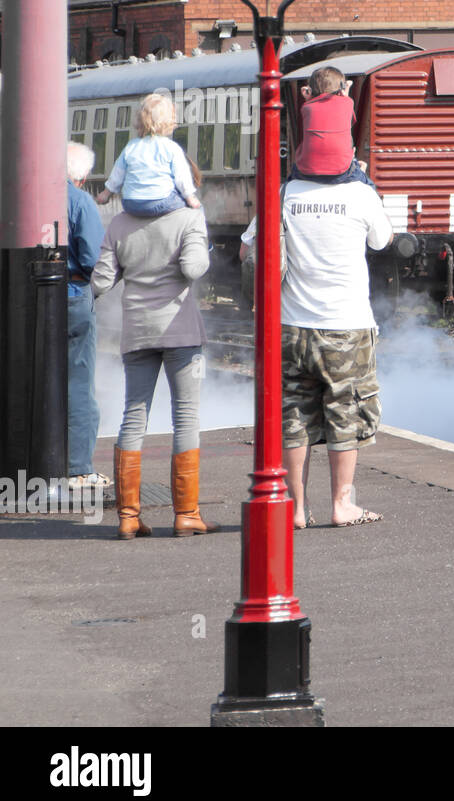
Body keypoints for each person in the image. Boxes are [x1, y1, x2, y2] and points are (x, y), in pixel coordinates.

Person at [243, 171, 393, 528]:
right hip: (348, 328)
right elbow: (383, 240)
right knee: (347, 411)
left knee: (295, 415)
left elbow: (247, 248)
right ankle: (342, 505)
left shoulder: (284, 192)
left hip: (293, 326)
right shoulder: (361, 193)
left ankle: (296, 509)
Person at [92, 160, 217, 539]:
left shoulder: (119, 223)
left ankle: (128, 517)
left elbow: (101, 280)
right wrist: (200, 247)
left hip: (138, 333)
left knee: (134, 414)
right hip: (180, 332)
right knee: (186, 418)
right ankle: (186, 514)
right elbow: (195, 268)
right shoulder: (188, 218)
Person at [67, 142, 109, 491]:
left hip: (24, 299)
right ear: (81, 177)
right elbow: (93, 259)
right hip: (72, 297)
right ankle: (78, 467)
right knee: (79, 384)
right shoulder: (80, 202)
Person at [96, 93, 202, 216]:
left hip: (131, 203)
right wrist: (190, 197)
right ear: (170, 122)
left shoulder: (131, 146)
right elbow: (181, 177)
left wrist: (105, 194)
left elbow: (117, 174)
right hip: (160, 201)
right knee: (197, 211)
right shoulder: (171, 148)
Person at [293, 66, 373, 187]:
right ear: (341, 88)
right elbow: (349, 122)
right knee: (369, 186)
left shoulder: (306, 107)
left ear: (311, 89)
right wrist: (345, 94)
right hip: (341, 172)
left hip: (308, 171)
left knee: (290, 179)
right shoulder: (348, 103)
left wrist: (308, 98)